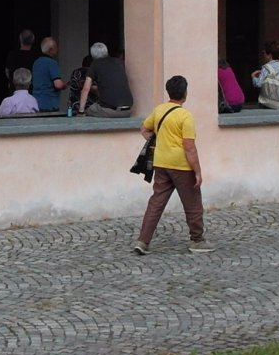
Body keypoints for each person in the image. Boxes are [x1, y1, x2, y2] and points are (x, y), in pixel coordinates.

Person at [133, 75, 209, 255]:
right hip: (181, 165)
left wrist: (157, 142)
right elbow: (189, 147)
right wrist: (197, 172)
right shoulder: (185, 116)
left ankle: (143, 241)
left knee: (156, 202)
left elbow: (144, 128)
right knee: (192, 203)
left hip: (161, 162)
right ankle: (197, 240)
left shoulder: (159, 110)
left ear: (168, 91)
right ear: (185, 93)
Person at [76, 42, 133, 117]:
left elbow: (86, 89)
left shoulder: (95, 64)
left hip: (110, 111)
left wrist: (81, 111)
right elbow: (112, 85)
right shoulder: (118, 62)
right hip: (128, 110)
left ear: (92, 55)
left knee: (88, 110)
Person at [31, 36, 68, 112]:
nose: (57, 49)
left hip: (36, 103)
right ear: (51, 50)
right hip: (50, 104)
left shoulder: (36, 62)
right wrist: (65, 85)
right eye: (56, 47)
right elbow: (58, 84)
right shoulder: (52, 63)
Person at [251, 41, 279, 109]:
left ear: (270, 55)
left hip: (268, 104)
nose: (263, 55)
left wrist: (253, 77)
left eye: (264, 53)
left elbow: (258, 84)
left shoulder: (266, 68)